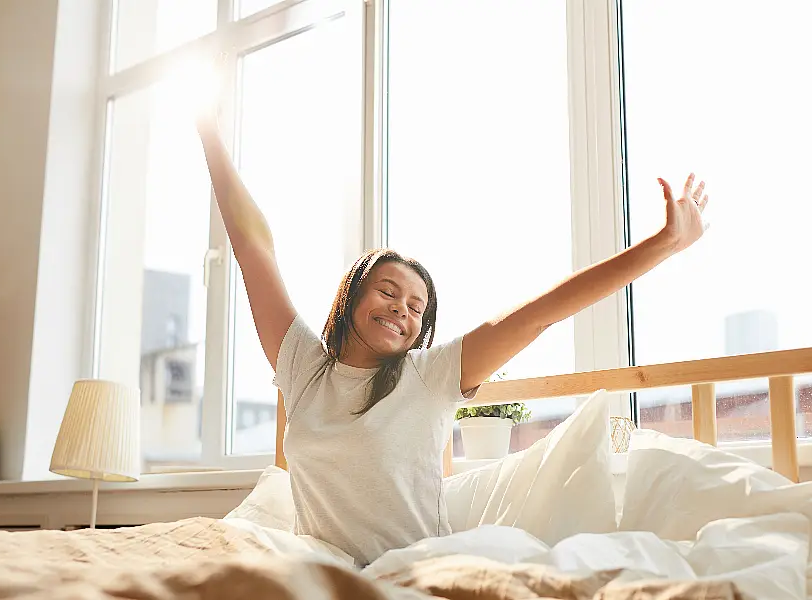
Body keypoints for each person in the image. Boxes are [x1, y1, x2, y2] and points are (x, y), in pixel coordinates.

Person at [196, 112, 709, 567]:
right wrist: (211, 133)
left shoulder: (430, 375)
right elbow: (251, 243)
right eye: (388, 291)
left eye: (417, 307)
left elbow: (541, 315)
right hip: (323, 575)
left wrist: (661, 245)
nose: (402, 308)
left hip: (413, 573)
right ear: (351, 296)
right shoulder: (303, 367)